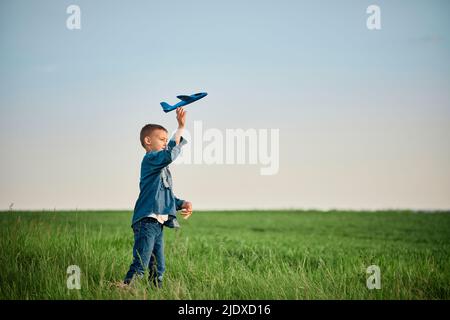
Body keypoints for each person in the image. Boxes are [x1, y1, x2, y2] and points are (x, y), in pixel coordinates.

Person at [123, 107, 193, 288]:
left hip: (157, 224)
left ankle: (156, 292)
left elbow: (165, 195)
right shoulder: (150, 159)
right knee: (141, 264)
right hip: (146, 221)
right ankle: (125, 288)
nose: (165, 143)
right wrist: (180, 127)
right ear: (148, 141)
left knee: (158, 267)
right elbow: (169, 154)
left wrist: (182, 203)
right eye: (161, 139)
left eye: (165, 139)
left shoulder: (161, 168)